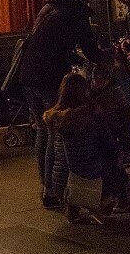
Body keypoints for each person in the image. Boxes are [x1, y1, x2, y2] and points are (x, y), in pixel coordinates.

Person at [18, 0, 102, 207]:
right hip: (48, 77)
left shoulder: (49, 6)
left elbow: (50, 43)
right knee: (53, 132)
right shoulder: (76, 12)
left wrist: (75, 58)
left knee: (42, 129)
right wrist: (107, 58)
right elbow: (91, 49)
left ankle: (46, 187)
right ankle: (51, 191)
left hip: (27, 75)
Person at [45, 71, 110, 225]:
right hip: (90, 178)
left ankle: (72, 208)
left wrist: (49, 184)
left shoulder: (53, 118)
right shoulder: (91, 113)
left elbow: (50, 152)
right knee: (111, 158)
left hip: (61, 182)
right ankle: (101, 202)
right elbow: (107, 144)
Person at [90, 57, 130, 210]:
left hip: (112, 135)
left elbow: (126, 117)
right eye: (96, 79)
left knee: (114, 167)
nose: (98, 82)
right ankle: (109, 197)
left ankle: (119, 197)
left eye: (102, 79)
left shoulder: (116, 94)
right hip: (101, 135)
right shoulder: (91, 93)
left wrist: (125, 139)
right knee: (107, 167)